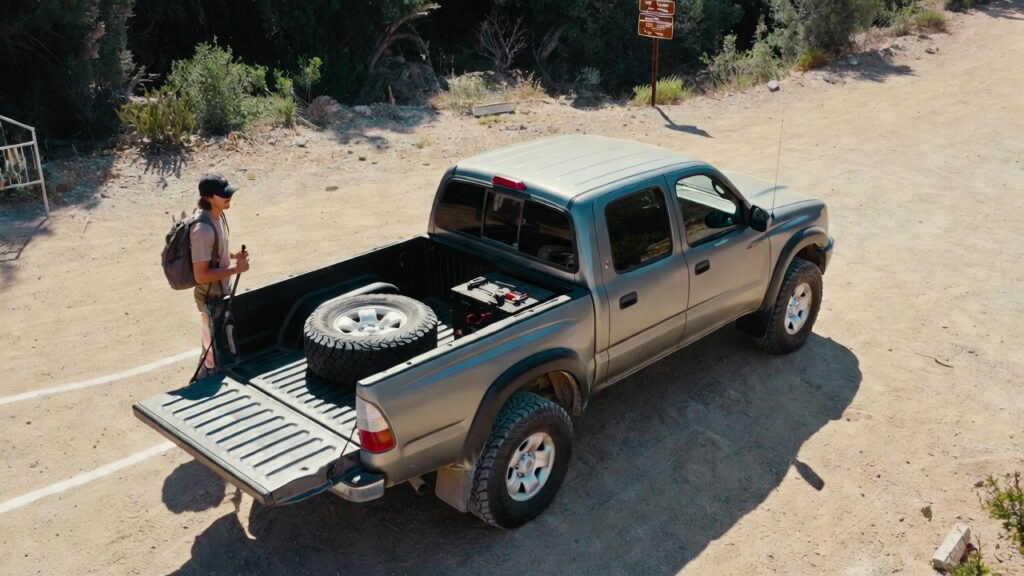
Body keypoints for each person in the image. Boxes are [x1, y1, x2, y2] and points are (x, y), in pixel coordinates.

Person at [190, 173, 250, 377]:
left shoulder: (217, 216)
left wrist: (233, 256)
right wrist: (236, 270)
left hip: (219, 290)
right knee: (211, 348)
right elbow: (201, 275)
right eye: (222, 195)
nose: (228, 197)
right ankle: (203, 378)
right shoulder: (202, 230)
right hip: (211, 296)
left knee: (215, 342)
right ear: (208, 198)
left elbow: (215, 252)